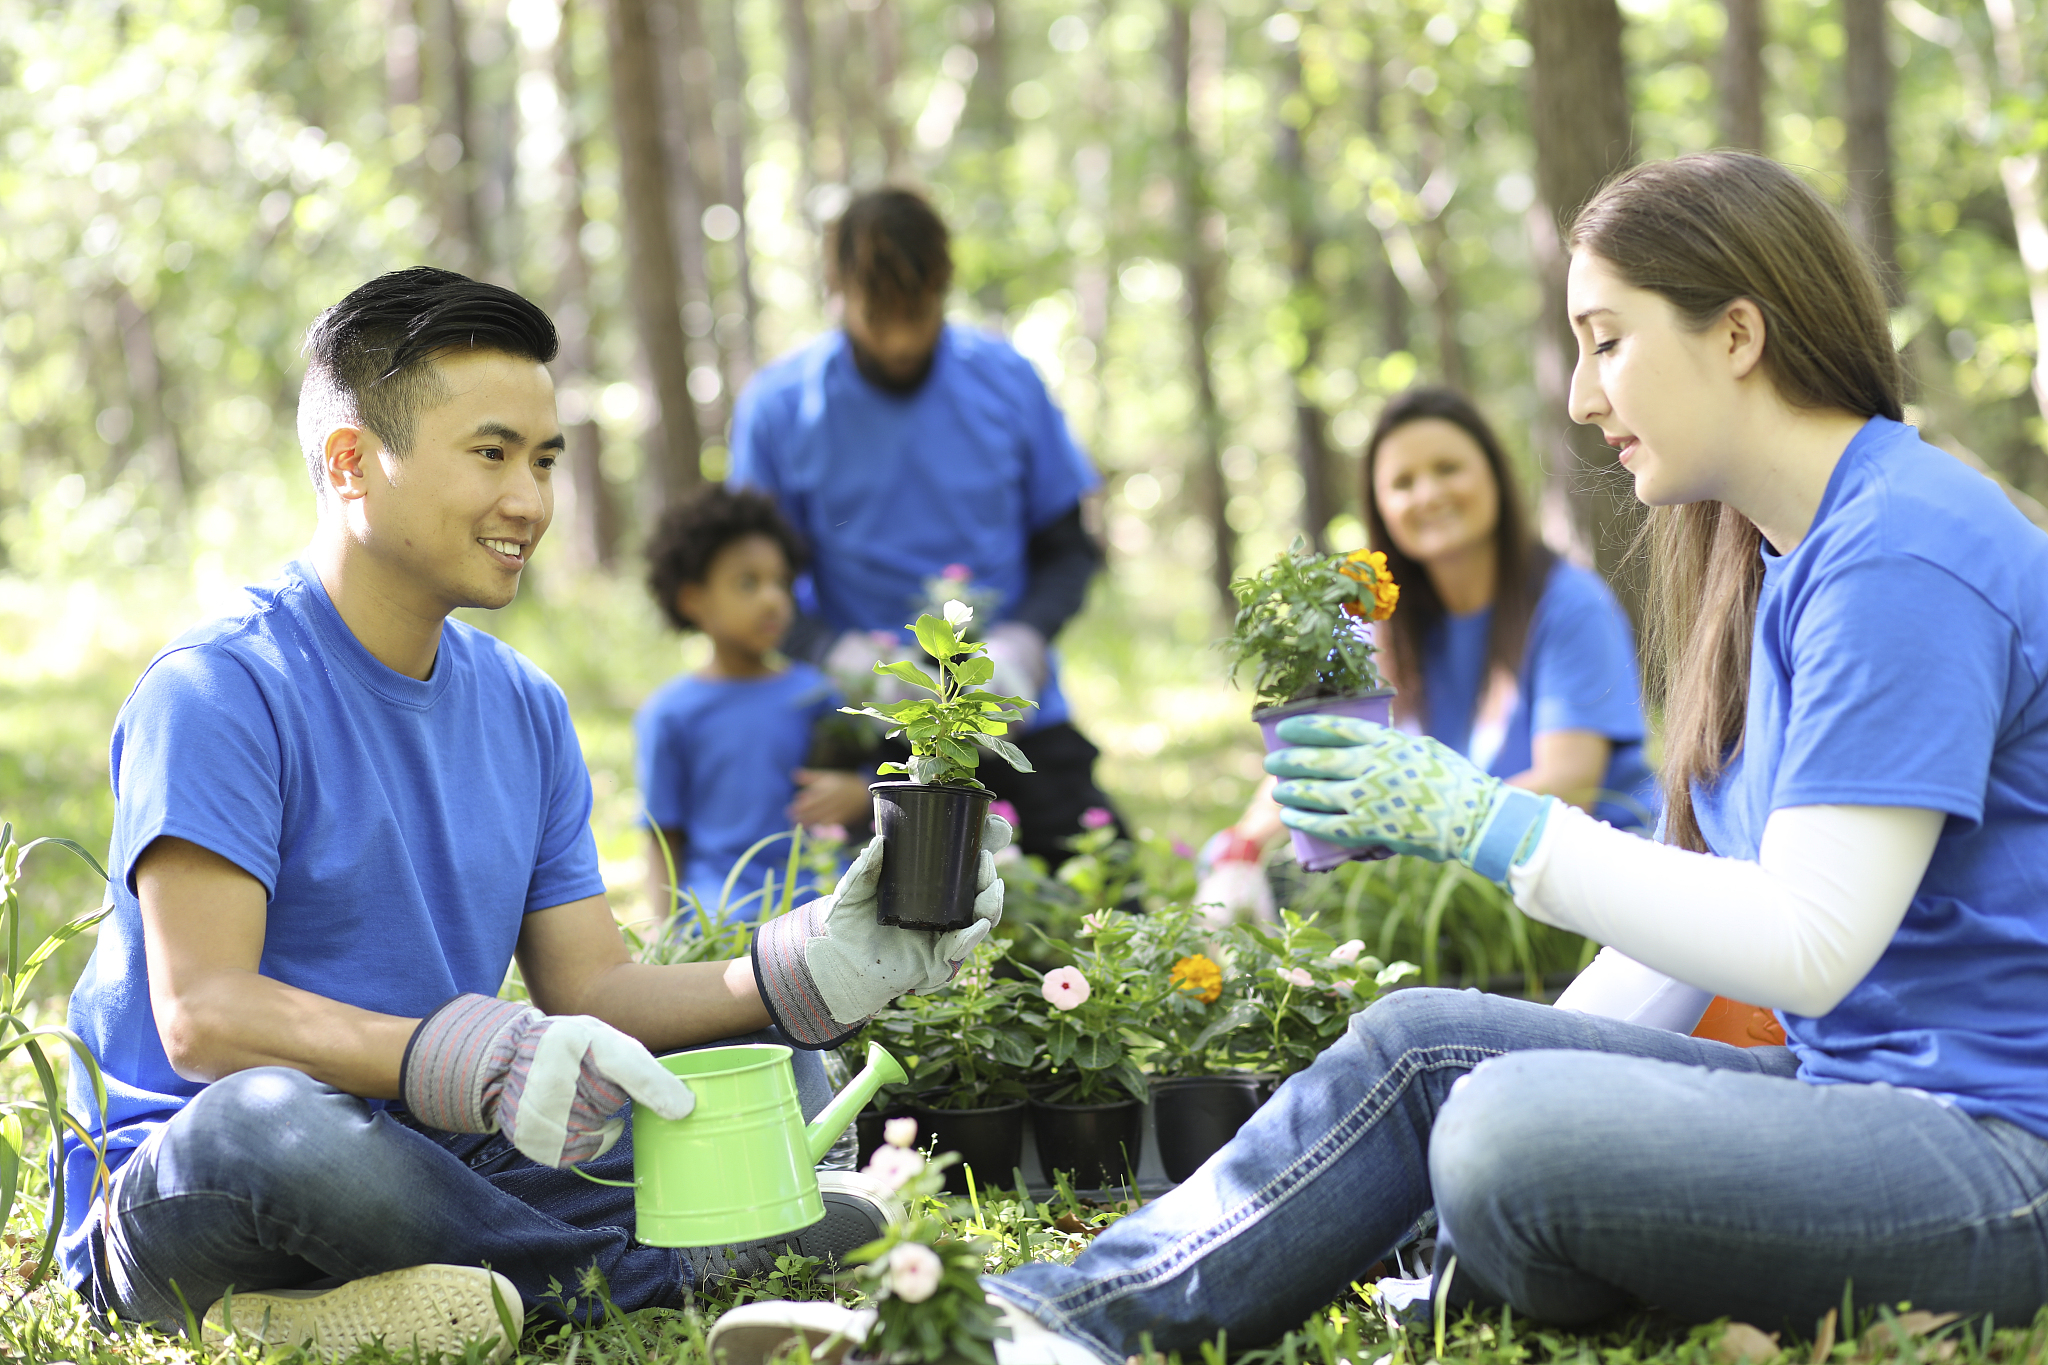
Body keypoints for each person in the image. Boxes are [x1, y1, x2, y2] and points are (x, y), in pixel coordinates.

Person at [714, 149, 2048, 1361]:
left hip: (1990, 1150)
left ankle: (1498, 1261)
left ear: (1738, 333)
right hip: (1850, 1098)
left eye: (1607, 343)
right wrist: (1524, 1054)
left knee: (1504, 1139)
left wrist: (1496, 827)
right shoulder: (1777, 554)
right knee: (1427, 1051)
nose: (1583, 397)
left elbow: (1812, 943)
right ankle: (1039, 1326)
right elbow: (1688, 927)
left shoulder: (1905, 554)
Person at [57, 267, 1008, 1362]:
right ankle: (678, 1261)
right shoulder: (220, 686)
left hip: (445, 1157)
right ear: (350, 463)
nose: (531, 501)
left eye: (545, 460)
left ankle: (366, 1305)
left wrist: (812, 972)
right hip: (203, 1169)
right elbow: (205, 1017)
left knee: (764, 1064)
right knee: (279, 1130)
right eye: (492, 453)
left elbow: (591, 988)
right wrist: (477, 1055)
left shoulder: (521, 706)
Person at [728, 186, 1117, 865]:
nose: (902, 338)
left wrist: (1024, 642)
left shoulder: (1007, 381)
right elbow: (747, 588)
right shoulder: (781, 408)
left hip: (1015, 717)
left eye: (919, 313)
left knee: (1103, 895)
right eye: (880, 317)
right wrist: (839, 654)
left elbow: (1070, 550)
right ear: (837, 293)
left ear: (944, 288)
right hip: (870, 730)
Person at [1197, 387, 1656, 922]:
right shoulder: (1365, 619)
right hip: (1438, 878)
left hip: (1576, 887)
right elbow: (1311, 750)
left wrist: (1409, 823)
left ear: (1494, 477)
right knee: (1247, 875)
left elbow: (1570, 784)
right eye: (1403, 482)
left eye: (1447, 468)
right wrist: (1245, 842)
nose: (1428, 494)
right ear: (1380, 505)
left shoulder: (1569, 604)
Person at [638, 486, 869, 923]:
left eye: (782, 582)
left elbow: (858, 781)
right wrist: (661, 930)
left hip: (823, 907)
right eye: (748, 583)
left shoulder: (819, 694)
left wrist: (857, 794)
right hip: (719, 914)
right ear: (693, 599)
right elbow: (663, 836)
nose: (773, 599)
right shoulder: (669, 713)